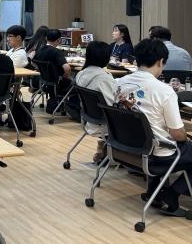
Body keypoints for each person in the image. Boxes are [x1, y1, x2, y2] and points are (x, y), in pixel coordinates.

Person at [114, 39, 192, 214]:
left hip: (127, 148)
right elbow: (177, 133)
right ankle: (171, 194)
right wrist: (185, 137)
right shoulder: (163, 90)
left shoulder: (119, 83)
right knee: (173, 142)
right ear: (160, 61)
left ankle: (155, 192)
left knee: (157, 136)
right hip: (156, 153)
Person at [74, 41, 116, 163]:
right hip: (105, 124)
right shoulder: (104, 78)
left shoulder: (81, 74)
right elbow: (113, 104)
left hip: (90, 120)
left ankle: (105, 150)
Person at [34, 28, 80, 119]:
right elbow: (67, 68)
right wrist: (67, 75)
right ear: (59, 40)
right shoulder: (57, 52)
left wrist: (43, 70)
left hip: (45, 84)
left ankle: (67, 105)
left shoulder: (40, 50)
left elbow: (33, 62)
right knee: (80, 84)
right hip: (60, 84)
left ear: (46, 38)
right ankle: (73, 107)